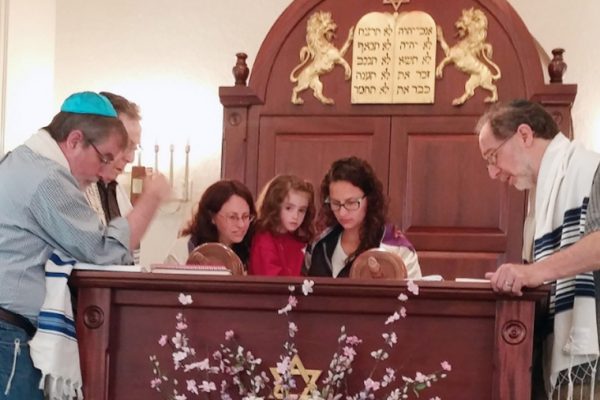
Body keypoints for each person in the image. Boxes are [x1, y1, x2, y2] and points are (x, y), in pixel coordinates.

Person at [0, 91, 170, 399]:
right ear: (75, 140)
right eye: (104, 157)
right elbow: (103, 252)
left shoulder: (23, 159)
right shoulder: (47, 176)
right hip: (6, 332)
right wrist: (150, 200)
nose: (102, 170)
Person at [477, 99, 600, 398]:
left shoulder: (590, 169)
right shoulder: (541, 202)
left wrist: (533, 272)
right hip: (556, 354)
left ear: (524, 134)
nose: (493, 173)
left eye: (493, 156)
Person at [303, 156, 421, 278]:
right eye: (336, 203)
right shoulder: (320, 244)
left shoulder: (395, 247)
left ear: (369, 199)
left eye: (351, 203)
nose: (342, 213)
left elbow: (414, 293)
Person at [84, 92, 142, 262]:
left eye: (135, 148)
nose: (130, 158)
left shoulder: (118, 192)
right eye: (126, 146)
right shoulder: (71, 187)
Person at [166, 179, 256, 267]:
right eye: (232, 217)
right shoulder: (184, 249)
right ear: (212, 216)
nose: (241, 224)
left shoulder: (253, 246)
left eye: (245, 216)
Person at [248, 175, 316, 276]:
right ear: (275, 207)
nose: (296, 216)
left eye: (301, 210)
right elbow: (272, 283)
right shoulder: (264, 240)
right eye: (288, 208)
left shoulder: (300, 240)